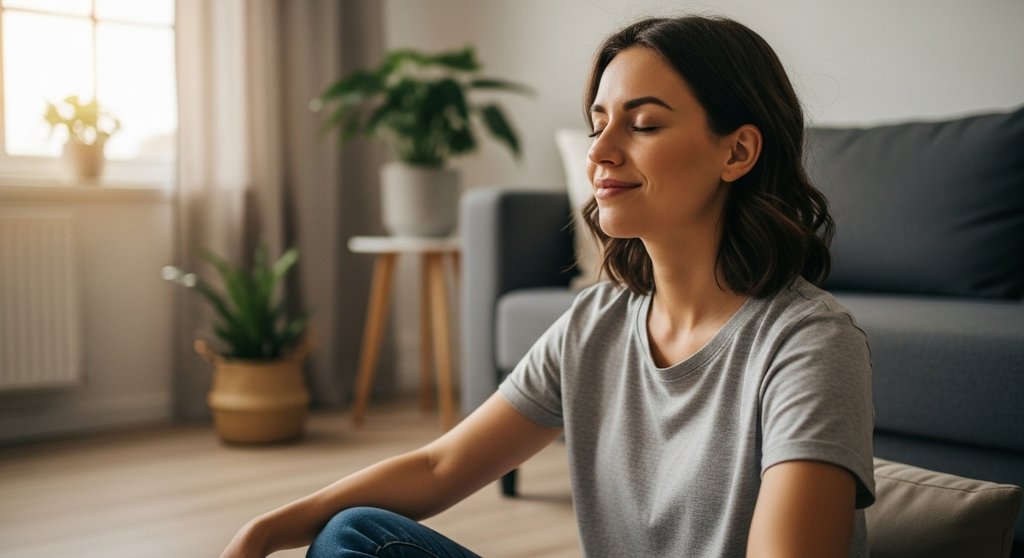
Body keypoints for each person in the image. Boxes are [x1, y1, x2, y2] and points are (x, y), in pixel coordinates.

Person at [221, 15, 875, 558]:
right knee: (357, 537)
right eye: (599, 122)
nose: (601, 151)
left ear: (737, 152)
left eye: (642, 124)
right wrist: (265, 530)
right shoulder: (597, 321)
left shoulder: (807, 344)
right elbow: (441, 468)